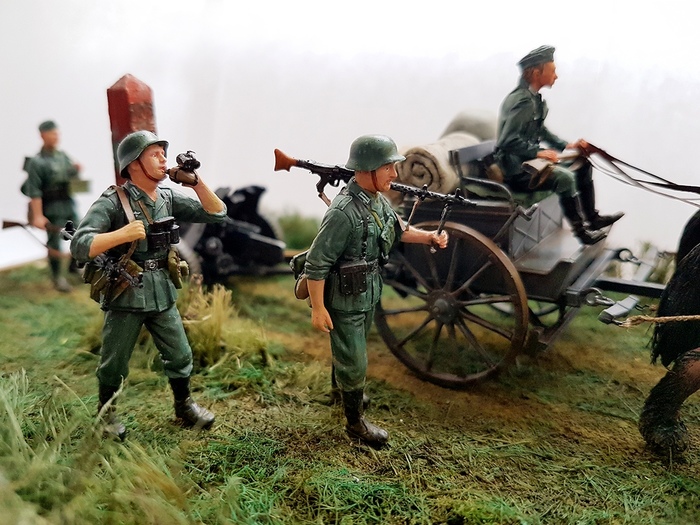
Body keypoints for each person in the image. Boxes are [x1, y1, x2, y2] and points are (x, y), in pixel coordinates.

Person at [70, 130, 226, 441]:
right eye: (155, 154)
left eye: (163, 153)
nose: (163, 160)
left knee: (180, 354)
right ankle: (106, 414)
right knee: (114, 361)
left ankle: (184, 406)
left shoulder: (166, 197)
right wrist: (121, 235)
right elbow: (79, 245)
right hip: (126, 293)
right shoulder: (113, 201)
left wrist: (196, 183)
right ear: (134, 164)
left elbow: (217, 213)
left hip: (162, 290)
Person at [304, 134, 449, 447]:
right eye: (387, 168)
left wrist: (429, 238)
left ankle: (340, 391)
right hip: (344, 297)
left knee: (348, 348)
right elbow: (316, 263)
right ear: (367, 169)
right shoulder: (343, 212)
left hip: (367, 291)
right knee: (355, 359)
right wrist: (318, 308)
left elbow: (398, 229)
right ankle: (355, 424)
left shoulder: (376, 201)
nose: (394, 174)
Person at [494, 45, 623, 245]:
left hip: (529, 165)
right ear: (536, 73)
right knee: (565, 178)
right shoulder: (521, 101)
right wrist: (538, 152)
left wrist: (567, 145)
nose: (556, 76)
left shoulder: (532, 99)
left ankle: (592, 219)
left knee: (583, 165)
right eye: (552, 71)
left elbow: (541, 131)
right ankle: (581, 233)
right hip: (517, 171)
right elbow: (507, 141)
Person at [21, 120, 82, 291]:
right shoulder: (36, 162)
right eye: (52, 134)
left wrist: (75, 170)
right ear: (43, 135)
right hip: (52, 207)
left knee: (79, 233)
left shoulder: (62, 156)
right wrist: (38, 215)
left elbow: (70, 177)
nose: (56, 137)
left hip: (68, 203)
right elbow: (34, 191)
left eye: (57, 133)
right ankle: (57, 277)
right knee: (55, 241)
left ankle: (74, 266)